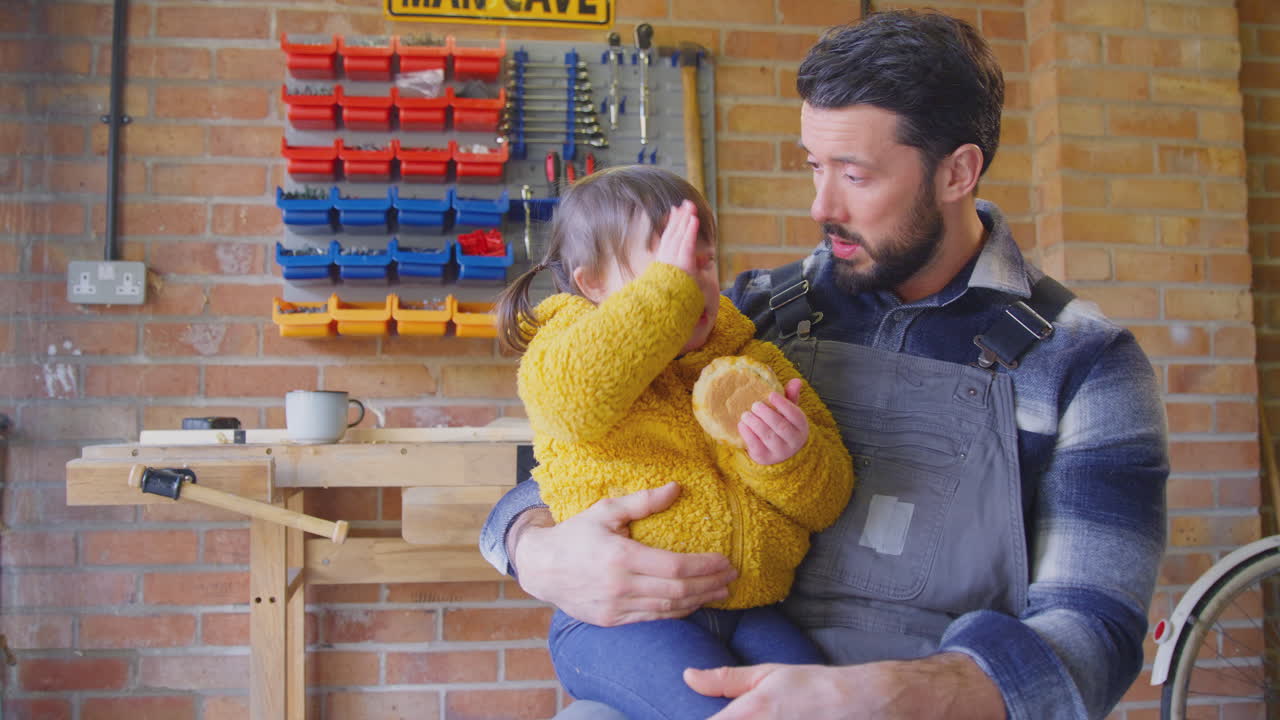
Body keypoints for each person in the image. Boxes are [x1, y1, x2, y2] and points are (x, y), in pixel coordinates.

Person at [482, 10, 1169, 720]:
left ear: (958, 172)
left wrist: (891, 693)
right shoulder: (750, 314)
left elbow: (1095, 633)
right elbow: (567, 452)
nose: (820, 204)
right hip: (715, 657)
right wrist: (539, 551)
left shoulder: (1086, 364)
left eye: (855, 174)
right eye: (815, 165)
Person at [494, 165, 855, 720]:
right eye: (670, 265)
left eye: (703, 262)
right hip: (617, 624)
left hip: (752, 609)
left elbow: (827, 502)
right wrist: (665, 298)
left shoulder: (750, 360)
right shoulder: (562, 348)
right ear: (592, 284)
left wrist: (789, 460)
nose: (694, 281)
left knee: (820, 705)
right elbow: (573, 400)